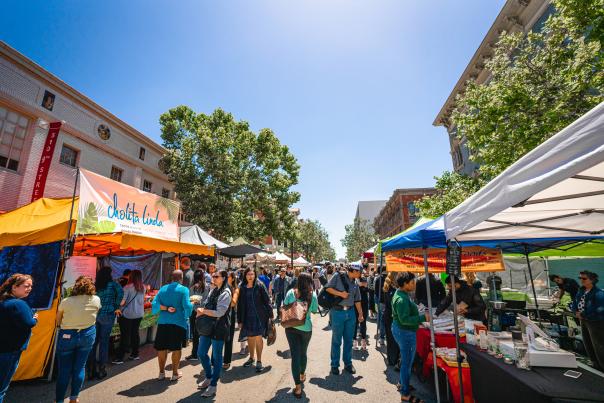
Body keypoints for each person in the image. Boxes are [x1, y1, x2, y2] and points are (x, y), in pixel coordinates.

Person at [56, 276, 100, 403]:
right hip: (87, 334)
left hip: (67, 335)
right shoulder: (96, 299)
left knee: (64, 370)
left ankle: (59, 400)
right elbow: (95, 313)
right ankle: (74, 398)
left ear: (75, 286)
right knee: (80, 367)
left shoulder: (66, 301)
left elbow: (58, 321)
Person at [392, 272, 428, 403]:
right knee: (407, 363)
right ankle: (405, 394)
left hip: (402, 331)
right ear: (405, 284)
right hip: (405, 332)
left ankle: (402, 384)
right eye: (412, 282)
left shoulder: (401, 293)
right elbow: (404, 319)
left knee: (405, 360)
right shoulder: (401, 299)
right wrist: (423, 317)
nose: (414, 285)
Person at [0, 274, 37, 403]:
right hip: (9, 351)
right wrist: (34, 319)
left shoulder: (4, 301)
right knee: (1, 388)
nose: (29, 288)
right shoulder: (18, 303)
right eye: (26, 286)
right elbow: (29, 323)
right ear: (14, 287)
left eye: (31, 286)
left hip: (4, 348)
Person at [196, 270, 233, 398]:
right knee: (201, 353)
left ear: (223, 278)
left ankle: (213, 385)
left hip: (219, 328)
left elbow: (219, 312)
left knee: (217, 357)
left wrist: (203, 311)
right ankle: (208, 376)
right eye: (213, 276)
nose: (213, 278)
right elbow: (207, 304)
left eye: (216, 276)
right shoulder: (213, 290)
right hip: (208, 327)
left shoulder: (226, 292)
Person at [152, 270, 193, 381]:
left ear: (172, 277)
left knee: (162, 348)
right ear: (181, 278)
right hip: (178, 323)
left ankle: (161, 373)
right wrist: (191, 306)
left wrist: (166, 308)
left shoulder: (163, 288)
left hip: (163, 322)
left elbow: (154, 304)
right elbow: (187, 306)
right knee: (176, 349)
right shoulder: (184, 290)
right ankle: (175, 374)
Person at [283, 272, 319, 398]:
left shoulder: (290, 292)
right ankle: (302, 374)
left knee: (295, 356)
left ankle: (297, 388)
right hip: (306, 328)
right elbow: (314, 310)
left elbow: (284, 306)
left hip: (291, 326)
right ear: (309, 282)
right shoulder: (312, 294)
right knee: (303, 353)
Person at [325, 265, 363, 375]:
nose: (361, 274)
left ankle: (348, 363)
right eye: (359, 271)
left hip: (351, 313)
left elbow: (357, 300)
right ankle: (334, 365)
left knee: (349, 340)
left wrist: (360, 314)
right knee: (336, 340)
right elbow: (328, 288)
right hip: (337, 312)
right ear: (354, 271)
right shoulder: (338, 276)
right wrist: (340, 294)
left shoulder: (355, 282)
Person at [237, 267, 274, 373]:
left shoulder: (259, 285)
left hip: (259, 317)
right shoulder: (243, 287)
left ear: (255, 275)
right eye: (248, 274)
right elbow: (239, 305)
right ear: (245, 275)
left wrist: (271, 314)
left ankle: (259, 361)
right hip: (247, 317)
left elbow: (267, 300)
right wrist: (239, 320)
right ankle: (251, 358)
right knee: (250, 338)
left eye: (252, 274)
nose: (250, 276)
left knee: (258, 338)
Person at [92, 266, 123, 377]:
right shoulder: (113, 284)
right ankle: (102, 368)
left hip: (95, 315)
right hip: (108, 315)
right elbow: (121, 293)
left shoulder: (96, 285)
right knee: (104, 342)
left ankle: (91, 369)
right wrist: (116, 305)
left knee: (94, 342)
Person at [572, 271, 604, 370]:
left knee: (598, 345)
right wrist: (575, 311)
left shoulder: (599, 293)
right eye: (580, 278)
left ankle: (602, 366)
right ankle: (595, 363)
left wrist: (583, 314)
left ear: (592, 280)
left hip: (595, 322)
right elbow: (575, 301)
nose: (581, 280)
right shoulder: (581, 290)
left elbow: (600, 309)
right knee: (587, 342)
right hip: (584, 320)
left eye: (584, 278)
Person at [113, 270, 145, 364]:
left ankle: (120, 358)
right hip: (139, 314)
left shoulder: (127, 287)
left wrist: (116, 304)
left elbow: (122, 302)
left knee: (125, 336)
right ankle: (135, 354)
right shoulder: (143, 287)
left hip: (128, 314)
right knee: (135, 334)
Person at [187, 269, 210, 360]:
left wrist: (196, 306)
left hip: (195, 313)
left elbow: (191, 301)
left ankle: (195, 354)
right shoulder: (208, 287)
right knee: (203, 334)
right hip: (205, 313)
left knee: (195, 335)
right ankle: (201, 353)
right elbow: (208, 300)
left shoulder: (192, 288)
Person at [223, 271, 240, 369]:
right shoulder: (221, 287)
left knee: (229, 339)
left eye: (227, 276)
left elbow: (233, 303)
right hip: (220, 314)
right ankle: (215, 360)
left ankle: (227, 360)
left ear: (232, 279)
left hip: (230, 314)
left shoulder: (235, 289)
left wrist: (226, 293)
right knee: (218, 338)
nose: (225, 278)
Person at [383, 272, 400, 367]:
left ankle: (391, 359)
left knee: (390, 339)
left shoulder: (388, 288)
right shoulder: (392, 290)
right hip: (391, 317)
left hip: (388, 316)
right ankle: (393, 360)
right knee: (393, 339)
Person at [353, 273, 370, 351]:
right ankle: (358, 342)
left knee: (360, 323)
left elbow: (366, 287)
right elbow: (365, 287)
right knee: (358, 323)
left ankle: (362, 342)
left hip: (361, 304)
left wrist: (361, 284)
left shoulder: (355, 280)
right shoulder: (354, 281)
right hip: (358, 304)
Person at [374, 267, 388, 346]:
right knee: (388, 319)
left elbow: (375, 292)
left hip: (381, 301)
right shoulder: (390, 279)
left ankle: (382, 337)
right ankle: (384, 336)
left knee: (381, 318)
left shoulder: (378, 279)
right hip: (389, 302)